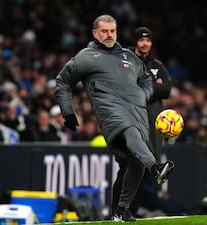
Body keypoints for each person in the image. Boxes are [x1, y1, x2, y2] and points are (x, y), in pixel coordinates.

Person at [54, 15, 174, 222]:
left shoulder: (128, 56)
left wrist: (142, 95)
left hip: (137, 112)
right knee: (130, 132)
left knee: (135, 163)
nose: (109, 35)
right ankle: (155, 167)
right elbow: (62, 81)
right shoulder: (86, 57)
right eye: (104, 31)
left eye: (112, 31)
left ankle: (122, 210)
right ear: (95, 33)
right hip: (110, 113)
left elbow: (146, 80)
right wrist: (68, 112)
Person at [111, 27, 173, 217]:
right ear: (136, 41)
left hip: (151, 124)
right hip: (129, 118)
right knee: (126, 166)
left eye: (148, 41)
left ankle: (130, 213)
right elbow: (122, 83)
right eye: (141, 40)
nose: (145, 44)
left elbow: (167, 90)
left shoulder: (157, 65)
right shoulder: (125, 58)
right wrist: (155, 86)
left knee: (142, 170)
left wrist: (143, 86)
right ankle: (116, 211)